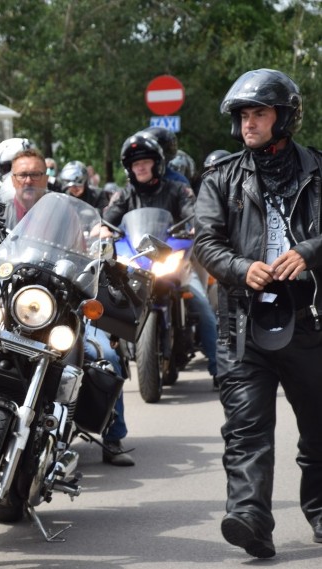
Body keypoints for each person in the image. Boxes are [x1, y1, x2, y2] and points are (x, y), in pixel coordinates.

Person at [194, 68, 322, 559]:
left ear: (284, 116)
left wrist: (309, 250)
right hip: (243, 322)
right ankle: (250, 518)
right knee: (246, 429)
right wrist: (240, 267)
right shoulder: (221, 176)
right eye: (244, 115)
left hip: (309, 319)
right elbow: (206, 242)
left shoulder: (317, 170)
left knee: (318, 427)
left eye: (260, 113)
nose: (249, 123)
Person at [103, 132, 219, 381]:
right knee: (106, 306)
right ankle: (108, 369)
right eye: (136, 163)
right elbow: (109, 218)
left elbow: (192, 211)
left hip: (173, 260)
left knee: (203, 307)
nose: (141, 167)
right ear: (129, 169)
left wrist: (197, 225)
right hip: (137, 263)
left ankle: (220, 371)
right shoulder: (124, 194)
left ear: (157, 164)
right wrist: (101, 228)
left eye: (145, 162)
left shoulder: (178, 189)